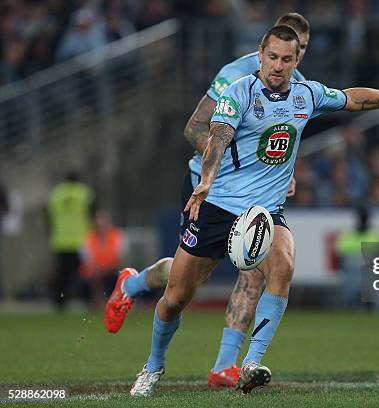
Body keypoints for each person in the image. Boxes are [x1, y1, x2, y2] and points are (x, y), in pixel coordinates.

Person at [129, 24, 379, 397]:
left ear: (297, 60)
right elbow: (219, 137)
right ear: (260, 54)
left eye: (286, 59)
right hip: (217, 206)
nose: (278, 65)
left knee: (284, 263)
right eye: (272, 57)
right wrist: (206, 181)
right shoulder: (237, 93)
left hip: (264, 211)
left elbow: (353, 99)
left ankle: (251, 362)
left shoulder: (306, 95)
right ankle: (153, 366)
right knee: (176, 298)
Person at [106, 13, 311, 388]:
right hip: (208, 187)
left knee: (255, 266)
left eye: (299, 52)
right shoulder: (236, 75)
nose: (290, 60)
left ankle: (224, 366)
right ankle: (133, 285)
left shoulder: (296, 86)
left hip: (252, 198)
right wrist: (236, 164)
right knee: (185, 283)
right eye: (282, 52)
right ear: (267, 48)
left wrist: (272, 167)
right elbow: (195, 128)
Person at [48, 172, 95, 311]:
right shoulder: (85, 193)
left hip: (60, 240)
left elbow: (49, 217)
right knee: (85, 273)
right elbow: (93, 214)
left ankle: (59, 302)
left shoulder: (56, 194)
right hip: (81, 241)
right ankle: (88, 300)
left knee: (62, 275)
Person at [81, 209, 126, 306]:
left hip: (112, 270)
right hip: (96, 273)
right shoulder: (89, 238)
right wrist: (97, 269)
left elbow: (121, 257)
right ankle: (98, 301)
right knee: (93, 277)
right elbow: (87, 259)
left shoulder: (117, 235)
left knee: (119, 276)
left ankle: (117, 301)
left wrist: (108, 268)